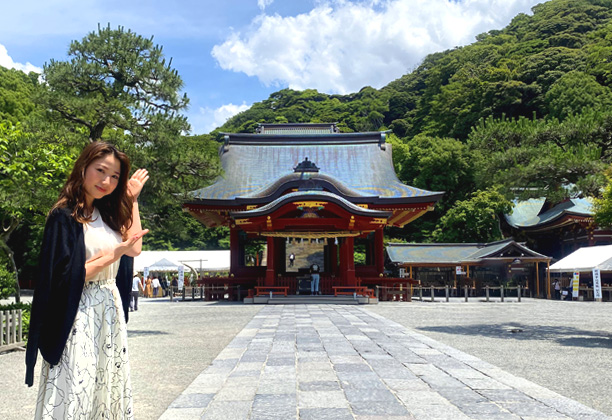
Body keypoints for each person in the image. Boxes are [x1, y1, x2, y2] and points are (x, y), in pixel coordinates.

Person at [25, 141, 149, 419]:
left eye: (115, 176)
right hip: (77, 309)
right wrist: (110, 256)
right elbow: (66, 276)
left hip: (108, 306)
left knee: (105, 384)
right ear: (83, 168)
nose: (106, 181)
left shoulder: (106, 213)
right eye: (100, 170)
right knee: (75, 383)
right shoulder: (65, 215)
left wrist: (132, 199)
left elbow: (134, 247)